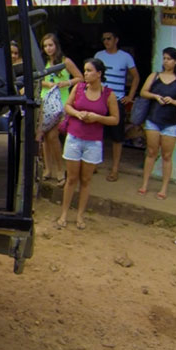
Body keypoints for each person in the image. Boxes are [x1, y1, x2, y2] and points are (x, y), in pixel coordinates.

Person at [57, 58, 119, 230]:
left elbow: (115, 119)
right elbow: (67, 106)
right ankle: (64, 213)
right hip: (74, 138)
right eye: (85, 70)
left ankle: (80, 215)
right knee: (71, 178)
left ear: (99, 74)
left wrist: (97, 118)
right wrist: (78, 114)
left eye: (89, 70)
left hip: (93, 142)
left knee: (86, 180)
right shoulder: (78, 88)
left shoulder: (109, 94)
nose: (85, 73)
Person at [138, 47, 176, 200]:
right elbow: (143, 92)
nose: (166, 61)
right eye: (164, 58)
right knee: (151, 152)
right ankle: (144, 184)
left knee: (167, 155)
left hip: (172, 122)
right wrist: (155, 96)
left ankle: (164, 188)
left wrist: (174, 102)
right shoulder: (155, 76)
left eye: (169, 59)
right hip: (153, 119)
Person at [95, 29, 140, 182]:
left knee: (117, 137)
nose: (106, 41)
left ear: (116, 40)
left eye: (109, 38)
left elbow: (136, 77)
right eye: (103, 39)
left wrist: (130, 96)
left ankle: (115, 169)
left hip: (117, 100)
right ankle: (94, 163)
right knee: (96, 133)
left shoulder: (125, 57)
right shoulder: (99, 56)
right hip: (100, 99)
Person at [40, 33, 83, 186]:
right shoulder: (41, 62)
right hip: (45, 101)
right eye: (45, 46)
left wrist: (66, 82)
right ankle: (48, 169)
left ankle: (59, 169)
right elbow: (37, 79)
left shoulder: (66, 61)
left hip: (61, 103)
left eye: (50, 45)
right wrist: (47, 84)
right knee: (44, 137)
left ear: (56, 46)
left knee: (53, 136)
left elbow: (80, 78)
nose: (48, 49)